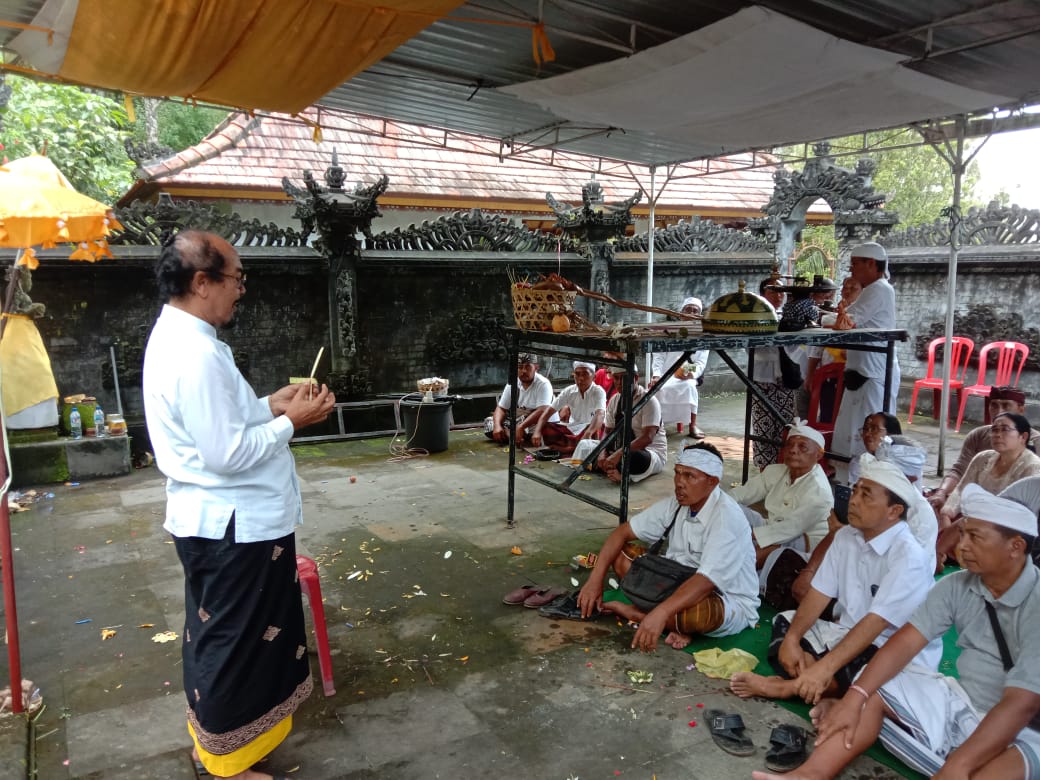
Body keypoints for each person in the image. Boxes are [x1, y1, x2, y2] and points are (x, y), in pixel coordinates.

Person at [142, 231, 336, 780]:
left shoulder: (181, 336)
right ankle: (226, 766)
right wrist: (288, 423)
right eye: (236, 279)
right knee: (233, 645)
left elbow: (218, 421)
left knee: (220, 634)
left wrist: (267, 404)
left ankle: (217, 750)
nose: (241, 291)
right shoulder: (196, 352)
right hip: (232, 525)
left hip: (218, 521)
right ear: (202, 283)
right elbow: (227, 453)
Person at [762, 485, 1040, 780]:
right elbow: (905, 642)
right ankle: (810, 775)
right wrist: (854, 698)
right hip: (964, 701)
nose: (962, 547)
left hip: (1027, 728)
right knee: (874, 686)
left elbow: (1022, 703)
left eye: (975, 537)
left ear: (1016, 547)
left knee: (990, 768)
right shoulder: (957, 585)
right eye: (964, 534)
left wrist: (960, 764)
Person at [731, 458, 941, 706]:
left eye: (866, 495)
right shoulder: (845, 537)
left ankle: (789, 687)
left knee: (874, 667)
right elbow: (818, 594)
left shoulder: (909, 557)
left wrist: (824, 667)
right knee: (785, 622)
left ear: (894, 511)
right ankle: (814, 681)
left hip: (888, 647)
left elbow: (876, 623)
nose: (853, 500)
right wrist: (792, 639)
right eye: (855, 491)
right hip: (846, 632)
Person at [576, 442, 759, 652]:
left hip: (723, 598)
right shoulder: (676, 504)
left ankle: (641, 614)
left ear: (712, 482)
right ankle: (667, 619)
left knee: (697, 615)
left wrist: (661, 613)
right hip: (676, 580)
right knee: (620, 554)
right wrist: (595, 580)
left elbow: (706, 581)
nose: (679, 483)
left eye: (689, 476)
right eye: (678, 473)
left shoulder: (727, 517)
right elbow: (622, 532)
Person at [830, 242, 901, 484]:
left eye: (855, 265)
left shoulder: (879, 288)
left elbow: (847, 321)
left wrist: (829, 316)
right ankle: (845, 484)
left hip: (874, 374)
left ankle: (869, 483)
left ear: (871, 264)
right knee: (848, 431)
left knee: (871, 434)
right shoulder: (874, 288)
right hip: (859, 372)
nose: (852, 271)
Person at [728, 420, 833, 576]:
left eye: (802, 447)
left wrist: (749, 534)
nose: (793, 450)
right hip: (773, 526)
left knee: (771, 547)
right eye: (789, 445)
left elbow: (790, 528)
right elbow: (744, 492)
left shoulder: (820, 491)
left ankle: (734, 573)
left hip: (806, 539)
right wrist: (717, 503)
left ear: (819, 454)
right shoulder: (775, 471)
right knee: (729, 508)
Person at [936, 411, 1040, 565]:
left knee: (965, 526)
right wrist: (947, 514)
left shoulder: (1032, 466)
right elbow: (961, 489)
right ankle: (940, 554)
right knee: (934, 507)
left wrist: (965, 523)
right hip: (972, 518)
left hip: (1006, 527)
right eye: (994, 430)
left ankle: (941, 554)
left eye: (1004, 429)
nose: (997, 434)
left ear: (1023, 437)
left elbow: (1016, 513)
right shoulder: (983, 458)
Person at [926, 386, 1040, 513]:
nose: (999, 411)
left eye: (1006, 405)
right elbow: (959, 471)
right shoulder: (979, 436)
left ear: (1021, 409)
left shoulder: (1036, 444)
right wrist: (941, 493)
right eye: (994, 405)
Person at [595, 365, 668, 484]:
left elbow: (647, 438)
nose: (619, 383)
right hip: (621, 448)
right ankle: (614, 468)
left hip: (648, 453)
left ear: (635, 378)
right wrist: (602, 452)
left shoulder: (649, 401)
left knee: (633, 457)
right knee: (588, 446)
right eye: (616, 378)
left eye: (624, 378)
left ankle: (623, 475)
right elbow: (608, 432)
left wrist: (619, 453)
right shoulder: (615, 400)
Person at [750, 279, 795, 470]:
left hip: (785, 381)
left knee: (787, 427)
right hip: (763, 381)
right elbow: (755, 350)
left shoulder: (789, 317)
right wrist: (780, 346)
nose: (778, 296)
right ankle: (764, 472)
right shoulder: (753, 318)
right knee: (764, 429)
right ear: (762, 295)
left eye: (781, 292)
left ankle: (785, 471)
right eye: (773, 291)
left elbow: (796, 349)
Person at [650, 297, 708, 438]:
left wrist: (688, 373)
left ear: (699, 315)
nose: (691, 313)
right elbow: (659, 356)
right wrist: (656, 374)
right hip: (665, 375)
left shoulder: (704, 335)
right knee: (658, 389)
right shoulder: (669, 332)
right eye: (688, 309)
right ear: (681, 313)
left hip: (686, 376)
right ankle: (656, 424)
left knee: (689, 387)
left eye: (695, 311)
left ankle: (692, 426)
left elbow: (700, 364)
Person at [528, 361, 606, 456]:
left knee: (594, 430)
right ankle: (571, 448)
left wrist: (588, 433)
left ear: (594, 377)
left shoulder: (598, 391)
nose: (581, 378)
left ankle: (568, 449)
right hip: (573, 429)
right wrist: (537, 430)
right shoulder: (569, 391)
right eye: (577, 374)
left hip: (590, 429)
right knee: (546, 427)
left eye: (585, 374)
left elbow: (600, 414)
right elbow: (548, 412)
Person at [483, 353, 553, 444]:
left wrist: (521, 427)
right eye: (520, 367)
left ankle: (513, 435)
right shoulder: (513, 382)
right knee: (490, 423)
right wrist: (497, 426)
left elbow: (543, 410)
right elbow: (501, 408)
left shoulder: (543, 383)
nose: (523, 371)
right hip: (520, 420)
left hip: (541, 421)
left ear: (536, 368)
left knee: (535, 428)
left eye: (528, 367)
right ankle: (514, 435)